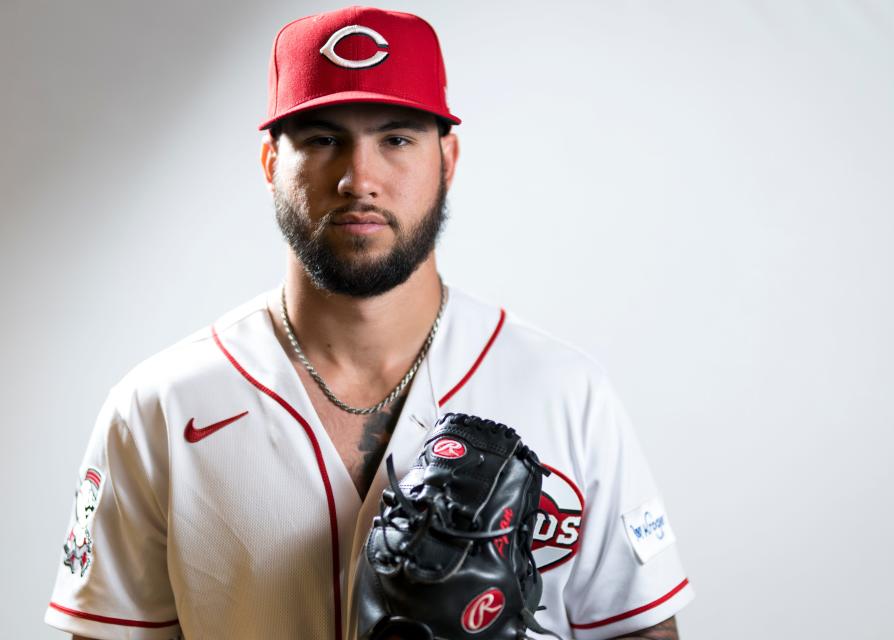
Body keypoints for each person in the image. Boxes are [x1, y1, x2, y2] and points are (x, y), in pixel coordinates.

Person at [45, 6, 694, 639]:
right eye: (323, 138)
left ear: (449, 159)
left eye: (397, 138)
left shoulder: (567, 393)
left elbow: (640, 629)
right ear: (271, 163)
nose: (360, 178)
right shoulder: (159, 406)